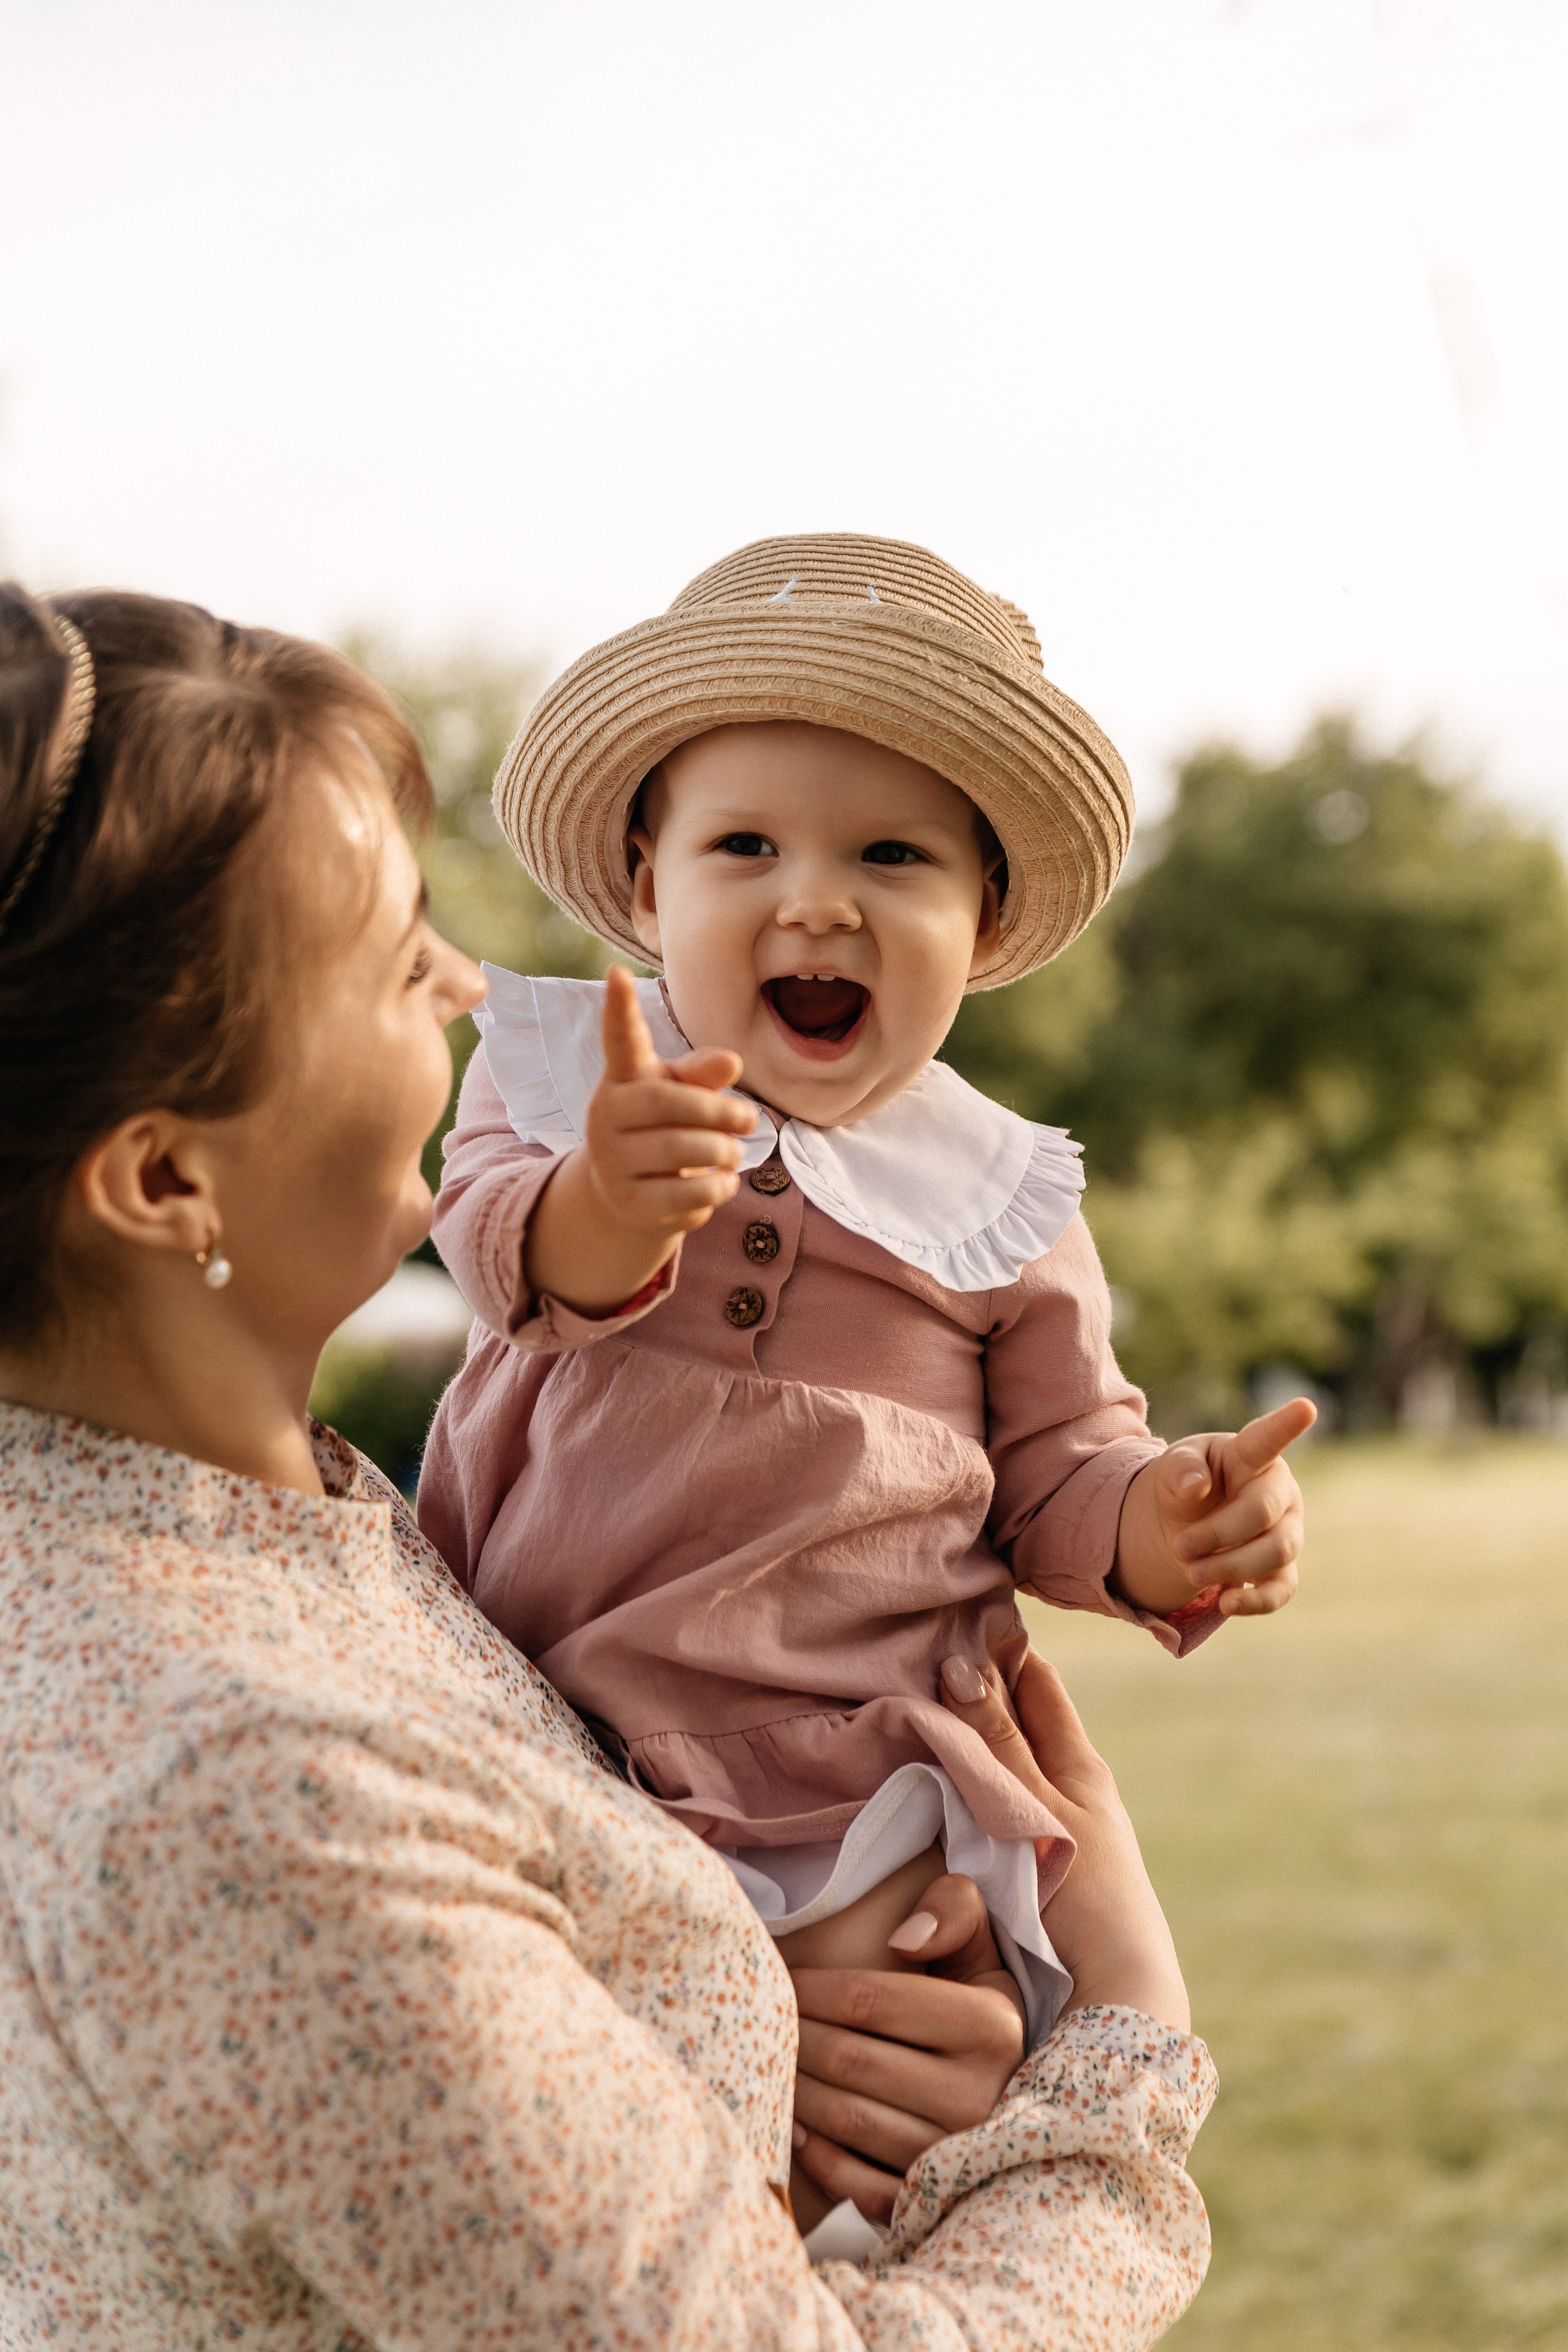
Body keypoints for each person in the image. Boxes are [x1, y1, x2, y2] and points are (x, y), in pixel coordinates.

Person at [0, 581, 1216, 2343]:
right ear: (165, 1181)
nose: (464, 981)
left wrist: (724, 2017)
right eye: (386, 951)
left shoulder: (278, 1533)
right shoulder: (243, 1784)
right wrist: (1120, 2059)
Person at [418, 533, 1310, 2218]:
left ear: (978, 926)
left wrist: (1159, 1525)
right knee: (582, 2136)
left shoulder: (996, 1203)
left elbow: (1056, 1473)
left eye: (891, 856)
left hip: (856, 1770)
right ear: (645, 878)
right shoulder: (564, 1086)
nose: (814, 898)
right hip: (556, 1726)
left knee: (844, 2142)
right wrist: (611, 1201)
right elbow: (502, 1264)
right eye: (743, 843)